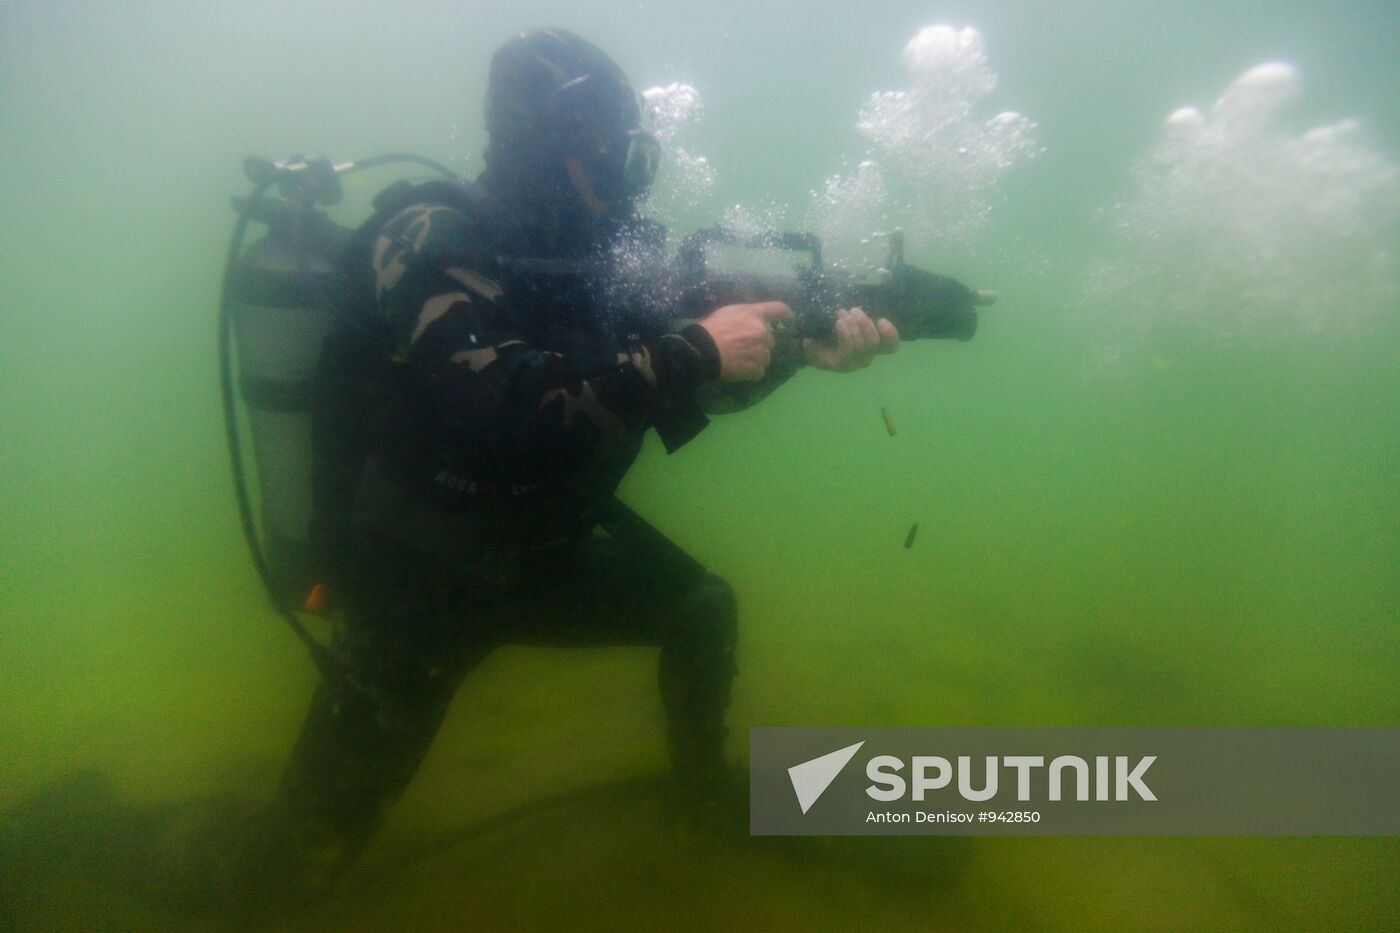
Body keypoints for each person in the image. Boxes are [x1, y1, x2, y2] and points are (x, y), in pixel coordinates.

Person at [2, 27, 901, 921]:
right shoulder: (430, 234)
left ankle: (701, 791)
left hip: (542, 542)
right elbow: (508, 420)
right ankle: (75, 830)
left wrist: (785, 356)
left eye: (638, 150)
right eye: (611, 147)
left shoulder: (607, 257)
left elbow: (673, 388)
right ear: (544, 140)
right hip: (418, 578)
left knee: (701, 608)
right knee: (284, 874)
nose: (631, 174)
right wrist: (688, 351)